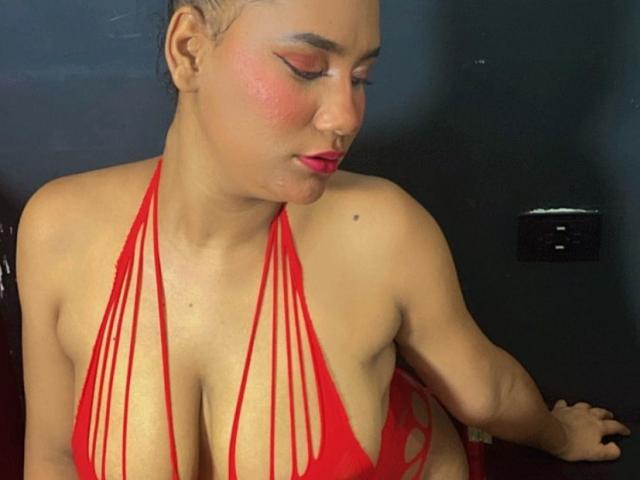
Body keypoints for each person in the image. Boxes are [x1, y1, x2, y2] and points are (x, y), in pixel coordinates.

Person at [17, 0, 631, 479]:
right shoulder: (58, 229)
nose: (345, 117)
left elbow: (485, 392)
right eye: (306, 68)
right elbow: (52, 456)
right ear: (189, 51)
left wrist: (558, 435)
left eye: (361, 77)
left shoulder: (381, 231)